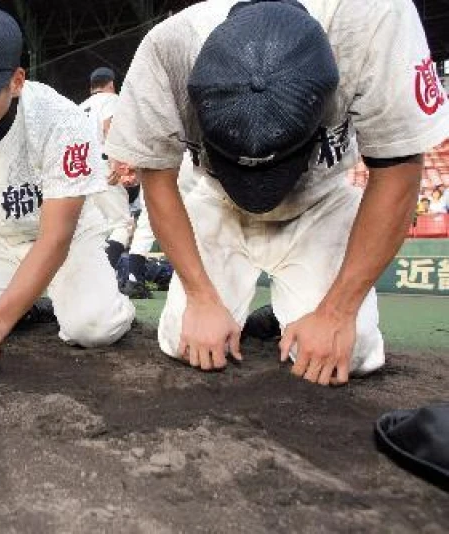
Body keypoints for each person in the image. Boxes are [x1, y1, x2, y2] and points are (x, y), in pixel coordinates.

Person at [106, 0, 449, 385]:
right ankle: (280, 305)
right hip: (218, 197)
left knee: (349, 355)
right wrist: (200, 297)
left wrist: (337, 312)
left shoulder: (373, 19)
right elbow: (157, 175)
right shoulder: (169, 46)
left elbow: (399, 167)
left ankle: (288, 308)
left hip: (319, 198)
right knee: (181, 341)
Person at [0, 3, 135, 372]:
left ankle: (109, 295)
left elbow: (55, 237)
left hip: (68, 237)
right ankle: (31, 304)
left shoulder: (61, 120)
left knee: (93, 326)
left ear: (16, 81)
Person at [79, 67, 134, 269]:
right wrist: (116, 162)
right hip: (103, 167)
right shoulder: (112, 99)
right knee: (122, 225)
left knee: (96, 229)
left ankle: (88, 276)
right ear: (111, 84)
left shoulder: (81, 106)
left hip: (81, 171)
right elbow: (109, 127)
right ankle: (103, 275)